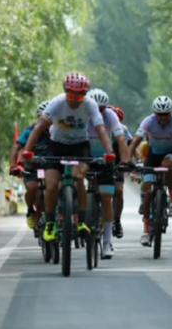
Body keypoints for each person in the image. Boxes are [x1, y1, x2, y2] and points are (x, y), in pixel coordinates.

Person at [22, 73, 115, 243]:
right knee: (51, 185)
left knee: (79, 178)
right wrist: (27, 150)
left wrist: (109, 151)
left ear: (85, 95)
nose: (75, 101)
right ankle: (50, 224)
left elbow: (100, 129)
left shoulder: (90, 104)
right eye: (71, 96)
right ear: (65, 93)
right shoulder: (57, 102)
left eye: (79, 97)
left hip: (80, 146)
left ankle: (81, 221)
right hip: (57, 145)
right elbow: (39, 126)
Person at [127, 96, 172, 246]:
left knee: (167, 165)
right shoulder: (148, 121)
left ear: (171, 113)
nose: (163, 118)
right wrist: (127, 160)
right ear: (155, 113)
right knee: (147, 190)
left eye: (166, 114)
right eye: (160, 114)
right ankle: (146, 229)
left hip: (169, 153)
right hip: (152, 155)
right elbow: (135, 141)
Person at [86, 90, 129, 259]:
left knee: (106, 197)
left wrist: (124, 161)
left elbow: (121, 139)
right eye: (95, 108)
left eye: (102, 108)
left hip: (106, 160)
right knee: (72, 186)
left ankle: (107, 242)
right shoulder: (81, 114)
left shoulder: (110, 115)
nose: (98, 112)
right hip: (85, 158)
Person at [9, 101, 50, 229]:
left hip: (51, 164)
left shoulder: (57, 131)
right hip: (32, 165)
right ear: (39, 118)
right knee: (32, 187)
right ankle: (31, 210)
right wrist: (13, 166)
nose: (47, 122)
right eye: (43, 118)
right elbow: (15, 148)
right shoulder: (29, 131)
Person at [107, 105, 132, 239]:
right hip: (102, 158)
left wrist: (138, 161)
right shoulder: (98, 126)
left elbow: (131, 146)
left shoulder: (123, 129)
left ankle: (117, 220)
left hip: (117, 160)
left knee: (118, 190)